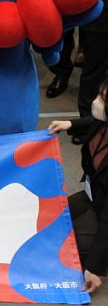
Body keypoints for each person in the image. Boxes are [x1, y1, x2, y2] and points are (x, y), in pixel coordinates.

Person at [48, 77, 108, 294]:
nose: (96, 102)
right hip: (94, 196)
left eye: (102, 98)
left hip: (104, 211)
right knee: (53, 215)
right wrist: (70, 124)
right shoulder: (102, 123)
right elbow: (95, 122)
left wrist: (94, 268)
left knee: (79, 249)